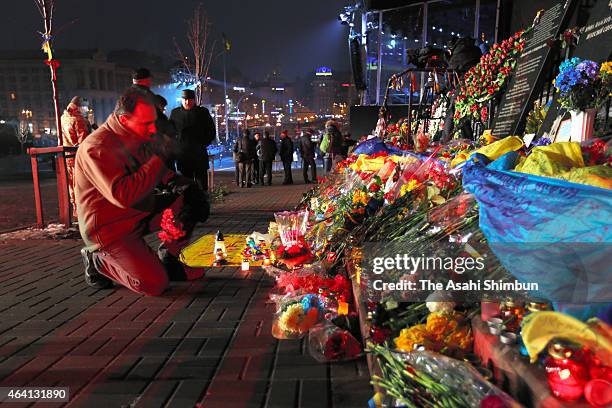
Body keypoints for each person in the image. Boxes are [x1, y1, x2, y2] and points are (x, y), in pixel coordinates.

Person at [75, 87, 209, 296]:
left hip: (137, 214)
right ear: (125, 120)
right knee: (154, 284)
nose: (152, 129)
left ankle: (170, 259)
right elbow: (124, 195)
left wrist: (187, 187)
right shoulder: (97, 147)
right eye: (146, 124)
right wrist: (157, 158)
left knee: (189, 199)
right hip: (110, 228)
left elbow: (162, 175)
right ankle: (97, 260)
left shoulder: (137, 137)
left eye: (152, 122)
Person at [170, 89, 216, 191]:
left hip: (199, 155)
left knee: (201, 185)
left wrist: (202, 143)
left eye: (190, 99)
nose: (187, 102)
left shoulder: (203, 112)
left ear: (194, 100)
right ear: (181, 100)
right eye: (185, 99)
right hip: (183, 156)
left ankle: (203, 205)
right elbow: (170, 132)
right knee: (186, 187)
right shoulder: (175, 113)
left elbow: (211, 131)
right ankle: (188, 206)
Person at [60, 96, 92, 220]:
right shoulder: (79, 120)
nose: (86, 109)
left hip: (67, 158)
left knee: (71, 186)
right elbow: (84, 141)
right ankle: (83, 213)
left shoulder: (63, 118)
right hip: (79, 159)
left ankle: (76, 212)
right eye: (85, 107)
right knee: (81, 186)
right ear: (79, 106)